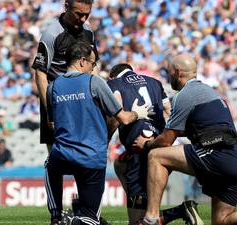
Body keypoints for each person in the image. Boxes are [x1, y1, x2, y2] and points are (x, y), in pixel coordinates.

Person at [134, 54, 237, 225]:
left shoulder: (185, 95)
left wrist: (147, 144)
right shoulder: (211, 92)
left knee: (156, 156)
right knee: (221, 221)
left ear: (177, 72)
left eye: (169, 72)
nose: (169, 76)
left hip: (217, 154)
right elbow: (198, 130)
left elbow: (167, 140)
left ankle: (150, 219)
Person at [45, 42, 150, 225]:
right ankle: (71, 221)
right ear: (83, 61)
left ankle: (56, 216)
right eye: (93, 64)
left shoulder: (52, 87)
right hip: (91, 158)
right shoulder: (94, 82)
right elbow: (123, 118)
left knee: (49, 165)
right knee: (92, 219)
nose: (94, 68)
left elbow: (52, 123)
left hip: (63, 155)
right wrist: (137, 113)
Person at [107, 64, 202, 225]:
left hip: (138, 145)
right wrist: (165, 138)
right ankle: (155, 208)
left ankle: (180, 210)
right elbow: (168, 110)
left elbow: (115, 116)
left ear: (111, 75)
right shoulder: (154, 82)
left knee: (138, 221)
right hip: (157, 144)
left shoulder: (114, 84)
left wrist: (106, 138)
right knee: (120, 164)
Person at [32, 0, 98, 153]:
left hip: (81, 100)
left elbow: (93, 66)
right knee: (56, 157)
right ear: (66, 7)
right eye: (78, 14)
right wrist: (50, 109)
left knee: (84, 153)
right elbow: (40, 73)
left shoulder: (88, 31)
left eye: (86, 14)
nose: (82, 19)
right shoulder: (51, 34)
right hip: (57, 101)